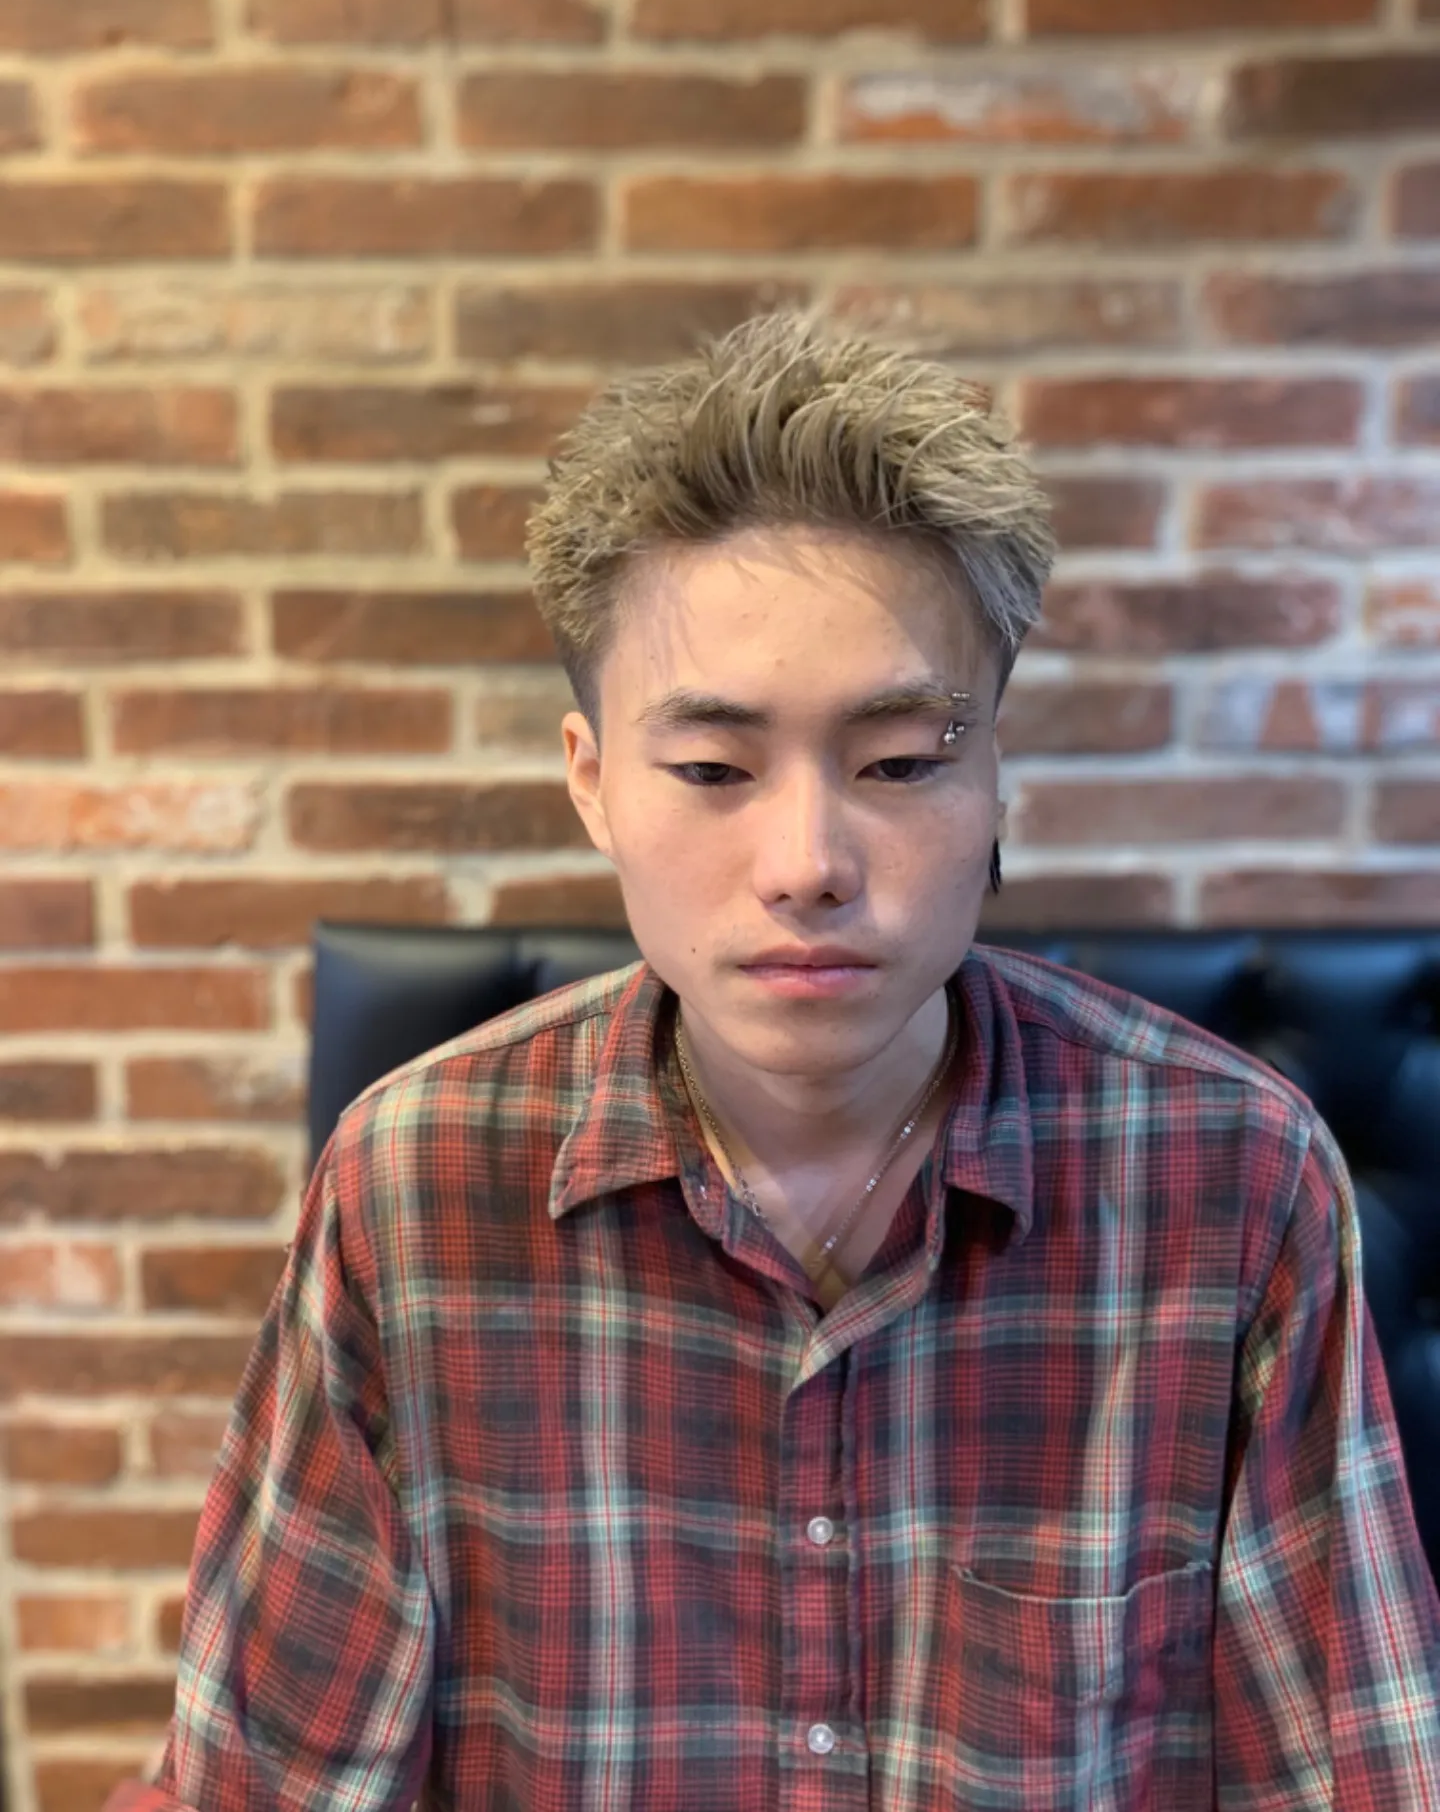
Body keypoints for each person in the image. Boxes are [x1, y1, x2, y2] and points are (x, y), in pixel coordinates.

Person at [104, 313, 1439, 1812]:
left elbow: (1352, 1769)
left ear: (998, 775)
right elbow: (263, 1780)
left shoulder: (1231, 1177)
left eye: (902, 763)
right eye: (712, 770)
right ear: (593, 784)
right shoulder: (412, 1189)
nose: (808, 862)